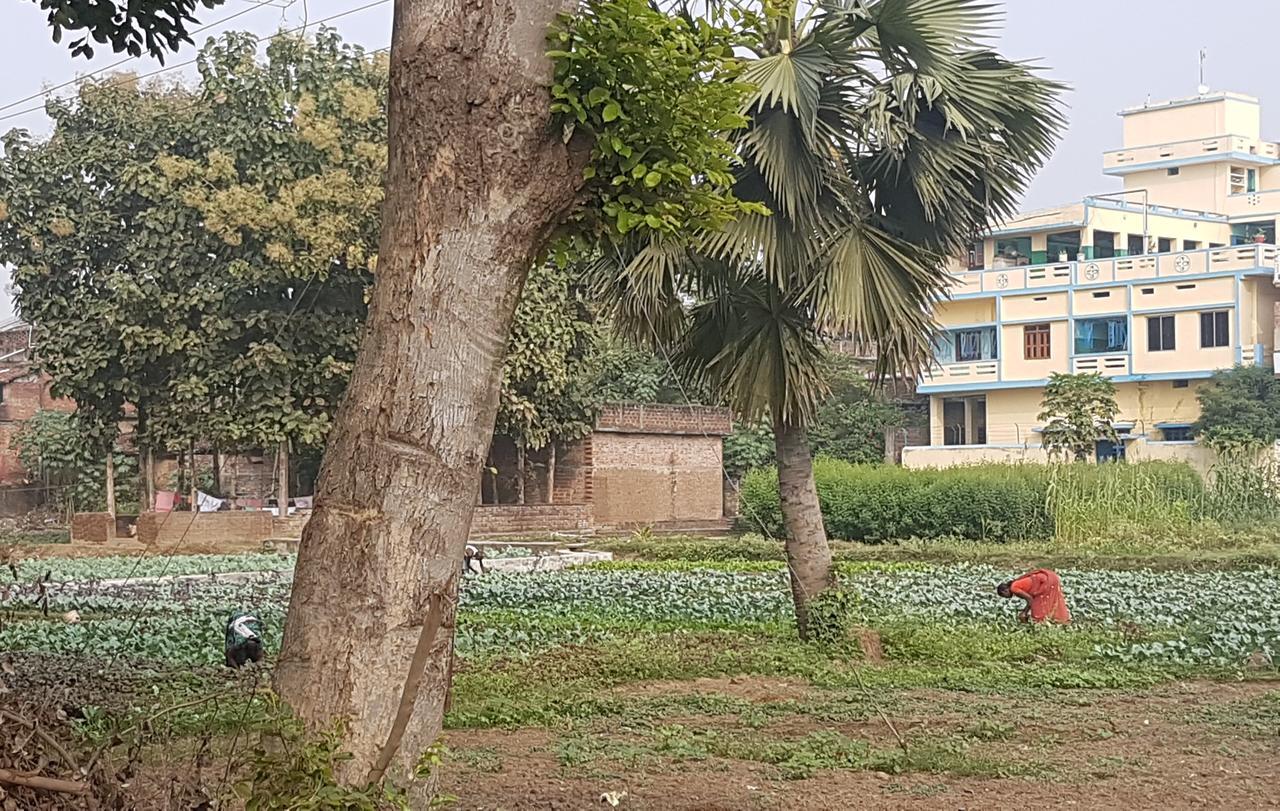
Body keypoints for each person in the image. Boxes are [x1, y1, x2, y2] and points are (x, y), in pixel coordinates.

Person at [996, 569, 1070, 624]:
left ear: (1004, 591)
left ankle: (1043, 625)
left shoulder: (1013, 588)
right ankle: (1057, 622)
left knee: (1037, 612)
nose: (1007, 598)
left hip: (1045, 582)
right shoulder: (1016, 584)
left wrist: (1024, 612)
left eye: (1005, 596)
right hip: (1051, 578)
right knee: (1049, 604)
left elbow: (1030, 600)